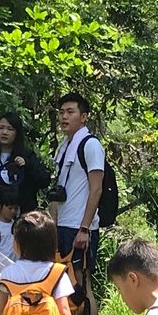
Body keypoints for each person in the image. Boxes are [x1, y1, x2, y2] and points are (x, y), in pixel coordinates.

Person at [50, 92, 105, 277]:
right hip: (63, 224)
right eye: (61, 112)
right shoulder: (64, 146)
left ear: (83, 117)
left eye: (70, 112)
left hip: (79, 227)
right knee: (63, 284)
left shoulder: (91, 145)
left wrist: (84, 229)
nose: (64, 116)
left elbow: (96, 188)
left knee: (81, 284)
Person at [0, 112, 50, 225]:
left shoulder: (27, 155)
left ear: (17, 133)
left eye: (10, 129)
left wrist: (27, 165)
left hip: (20, 221)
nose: (4, 132)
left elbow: (44, 180)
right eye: (1, 128)